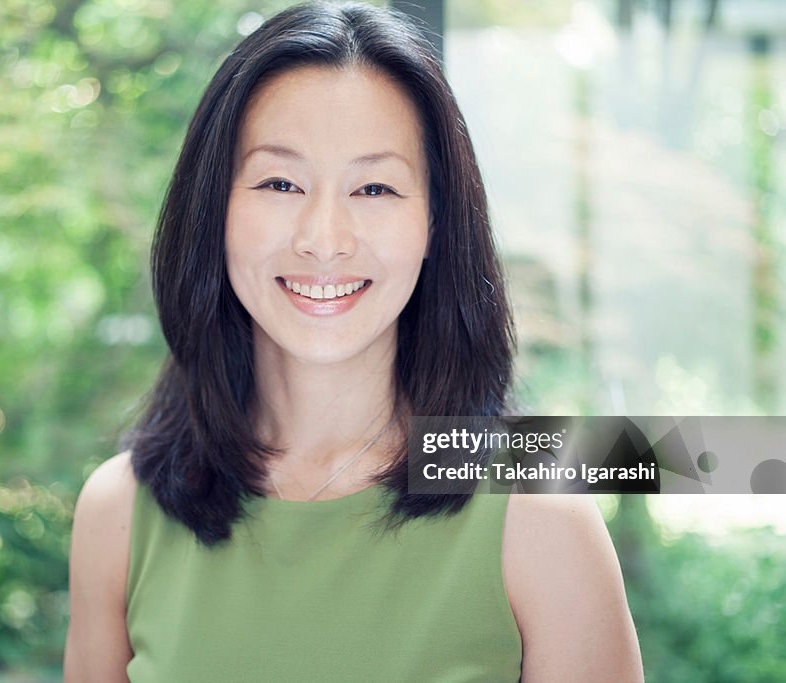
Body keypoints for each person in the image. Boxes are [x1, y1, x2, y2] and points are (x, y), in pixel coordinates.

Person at [64, 2, 644, 681]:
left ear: (435, 224)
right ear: (214, 209)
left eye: (374, 187)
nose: (325, 238)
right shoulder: (120, 513)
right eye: (280, 181)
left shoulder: (541, 507)